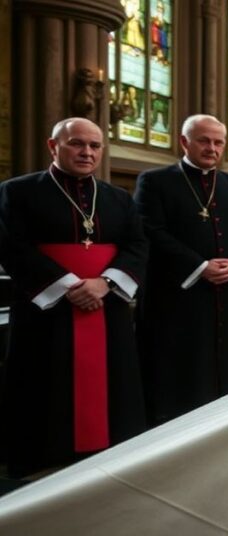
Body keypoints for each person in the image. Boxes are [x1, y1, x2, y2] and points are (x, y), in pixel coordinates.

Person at [0, 118, 148, 477]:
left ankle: (111, 450)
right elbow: (10, 246)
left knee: (112, 386)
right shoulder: (16, 191)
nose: (87, 152)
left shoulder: (117, 197)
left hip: (105, 304)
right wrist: (68, 286)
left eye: (95, 146)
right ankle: (44, 456)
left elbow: (138, 245)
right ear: (53, 146)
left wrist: (104, 283)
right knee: (44, 381)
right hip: (45, 309)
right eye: (77, 144)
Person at [134, 114, 228, 425]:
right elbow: (149, 230)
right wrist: (199, 266)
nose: (212, 148)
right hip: (178, 293)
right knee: (181, 369)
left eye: (218, 142)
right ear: (184, 142)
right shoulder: (155, 181)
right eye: (204, 140)